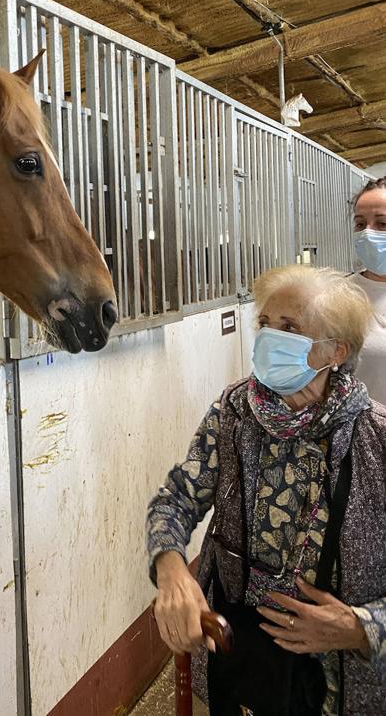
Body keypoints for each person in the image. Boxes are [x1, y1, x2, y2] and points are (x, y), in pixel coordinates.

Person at [147, 265, 386, 715]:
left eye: (289, 327)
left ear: (335, 351)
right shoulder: (233, 414)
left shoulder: (376, 438)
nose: (268, 338)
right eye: (265, 324)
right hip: (239, 659)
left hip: (343, 683)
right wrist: (171, 569)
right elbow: (176, 498)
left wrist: (360, 627)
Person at [352, 177, 386, 404]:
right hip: (363, 433)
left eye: (382, 224)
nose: (367, 233)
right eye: (360, 224)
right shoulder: (338, 296)